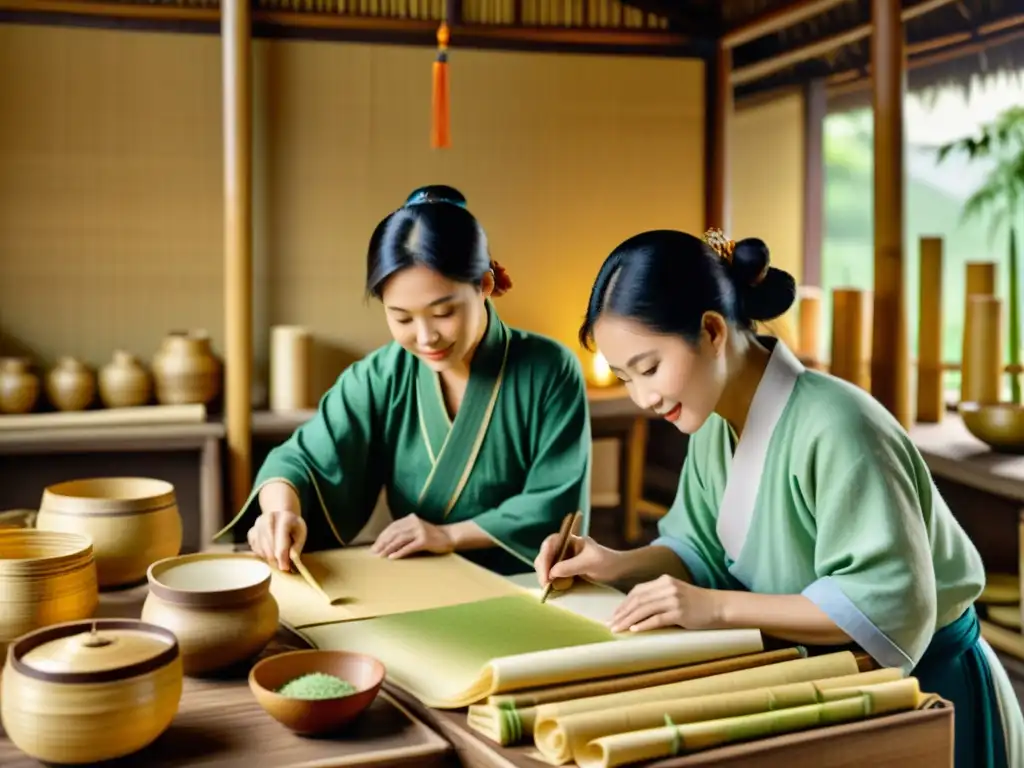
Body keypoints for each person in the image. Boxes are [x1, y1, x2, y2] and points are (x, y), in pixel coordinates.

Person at [534, 228, 1023, 768]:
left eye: (649, 368)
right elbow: (697, 551)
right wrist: (614, 564)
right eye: (625, 377)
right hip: (828, 682)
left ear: (713, 331)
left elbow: (884, 605)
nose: (643, 398)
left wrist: (713, 608)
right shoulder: (713, 425)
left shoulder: (839, 425)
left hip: (927, 690)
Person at [217, 188, 592, 576]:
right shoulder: (380, 376)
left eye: (443, 312)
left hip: (521, 583)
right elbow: (301, 460)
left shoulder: (549, 369)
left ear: (483, 285)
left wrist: (448, 535)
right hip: (415, 581)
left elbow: (554, 501)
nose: (426, 336)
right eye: (402, 318)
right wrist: (280, 512)